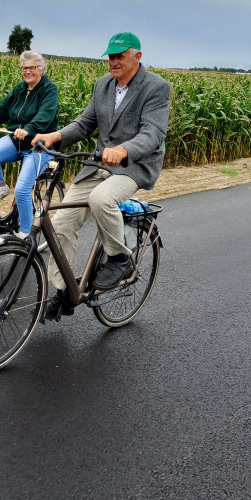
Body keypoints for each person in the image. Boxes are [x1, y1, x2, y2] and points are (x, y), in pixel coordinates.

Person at [32, 32, 170, 320]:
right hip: (99, 164)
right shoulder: (103, 85)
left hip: (134, 165)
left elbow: (152, 134)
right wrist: (55, 136)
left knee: (101, 199)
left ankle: (120, 258)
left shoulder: (156, 87)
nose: (113, 61)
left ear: (137, 57)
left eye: (120, 56)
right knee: (61, 224)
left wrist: (123, 149)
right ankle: (63, 292)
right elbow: (84, 123)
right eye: (110, 56)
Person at [0, 51, 59, 239]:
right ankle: (0, 187)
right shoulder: (21, 89)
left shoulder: (49, 89)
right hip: (16, 141)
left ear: (41, 69)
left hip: (39, 146)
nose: (27, 72)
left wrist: (29, 128)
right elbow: (0, 109)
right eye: (24, 68)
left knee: (22, 190)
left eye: (31, 67)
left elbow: (45, 115)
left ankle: (26, 233)